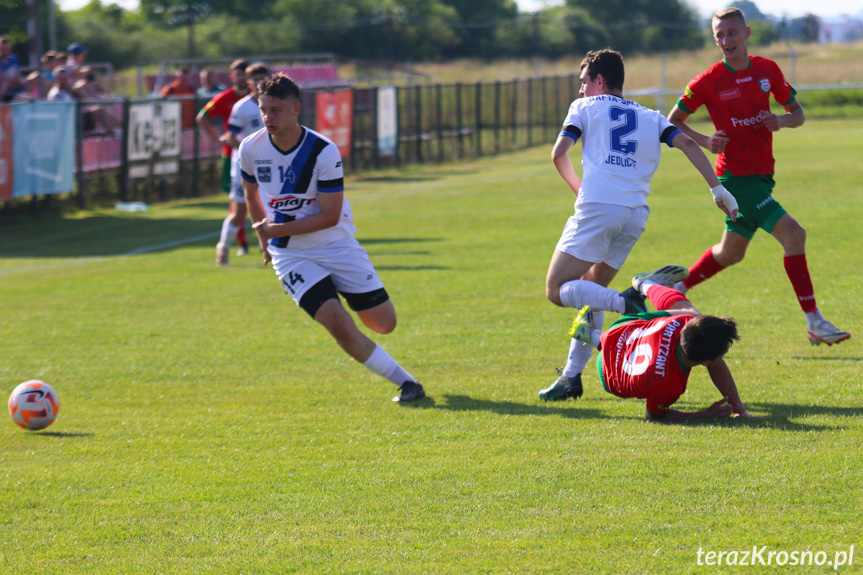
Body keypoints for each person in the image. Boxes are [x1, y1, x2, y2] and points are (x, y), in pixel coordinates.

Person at [538, 49, 740, 402]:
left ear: (599, 80)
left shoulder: (583, 106)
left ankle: (628, 302)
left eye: (584, 81)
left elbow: (559, 154)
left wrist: (580, 191)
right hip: (635, 215)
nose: (582, 88)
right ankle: (571, 377)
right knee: (590, 294)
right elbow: (690, 143)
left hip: (599, 208)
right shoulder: (651, 115)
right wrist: (718, 189)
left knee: (556, 290)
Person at [667, 7, 850, 347]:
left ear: (747, 33)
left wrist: (781, 120)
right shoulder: (706, 81)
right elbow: (673, 120)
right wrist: (706, 141)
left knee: (730, 253)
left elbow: (798, 114)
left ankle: (675, 288)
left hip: (762, 175)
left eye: (732, 33)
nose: (726, 40)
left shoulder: (768, 70)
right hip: (737, 178)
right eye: (719, 35)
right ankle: (814, 321)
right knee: (794, 234)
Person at [239, 72, 425, 403]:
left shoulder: (322, 151)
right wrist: (265, 241)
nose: (268, 117)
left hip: (336, 244)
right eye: (264, 110)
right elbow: (252, 197)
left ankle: (341, 286)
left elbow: (329, 216)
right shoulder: (251, 148)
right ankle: (408, 383)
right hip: (292, 255)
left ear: (296, 109)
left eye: (276, 110)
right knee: (338, 324)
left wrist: (274, 230)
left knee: (384, 324)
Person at [566, 265, 752, 421]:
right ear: (704, 363)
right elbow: (653, 416)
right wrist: (704, 414)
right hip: (610, 379)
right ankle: (643, 287)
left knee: (691, 316)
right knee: (693, 323)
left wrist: (739, 409)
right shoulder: (671, 385)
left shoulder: (681, 322)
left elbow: (711, 358)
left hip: (617, 335)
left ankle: (598, 334)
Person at [214, 63, 270, 266]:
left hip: (270, 166)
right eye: (255, 79)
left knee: (274, 208)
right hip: (244, 167)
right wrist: (246, 153)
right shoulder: (243, 107)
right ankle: (224, 247)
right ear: (248, 83)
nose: (259, 83)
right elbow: (230, 136)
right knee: (239, 212)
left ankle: (275, 251)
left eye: (262, 78)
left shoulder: (275, 104)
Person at [196, 59, 251, 259]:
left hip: (261, 157)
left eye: (246, 74)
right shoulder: (228, 99)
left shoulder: (262, 100)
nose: (243, 78)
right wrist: (218, 138)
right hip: (234, 156)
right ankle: (240, 242)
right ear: (232, 77)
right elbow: (202, 117)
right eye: (239, 74)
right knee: (238, 203)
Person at [0, 37, 22, 102]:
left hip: (14, 86)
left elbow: (18, 73)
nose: (4, 51)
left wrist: (14, 79)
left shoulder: (14, 59)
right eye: (2, 49)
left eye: (6, 49)